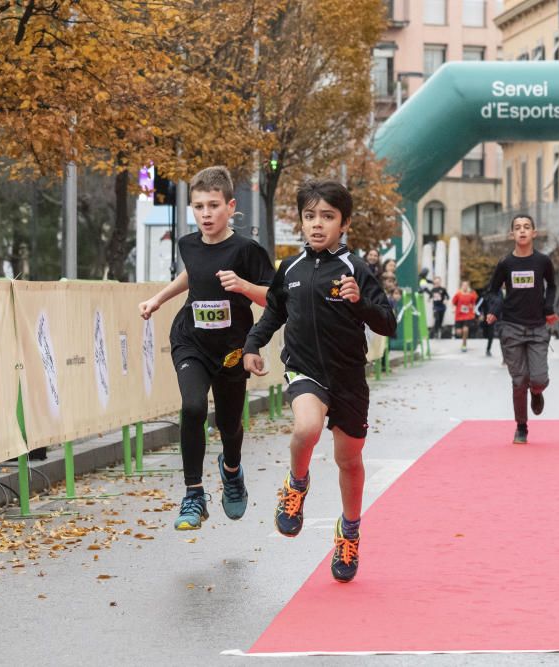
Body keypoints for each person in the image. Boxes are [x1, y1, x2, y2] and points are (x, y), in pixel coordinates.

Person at [243, 180, 396, 583]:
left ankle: (349, 531)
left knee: (349, 460)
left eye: (327, 217)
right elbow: (274, 312)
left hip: (348, 377)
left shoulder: (356, 269)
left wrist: (359, 303)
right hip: (305, 368)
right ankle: (296, 486)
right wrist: (252, 345)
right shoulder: (289, 269)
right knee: (307, 427)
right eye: (309, 216)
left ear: (343, 223)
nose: (316, 224)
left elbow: (389, 322)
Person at [139, 166, 274, 531]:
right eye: (198, 207)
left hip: (232, 348)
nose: (206, 214)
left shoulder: (246, 250)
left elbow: (275, 299)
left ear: (230, 206)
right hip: (191, 340)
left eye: (213, 205)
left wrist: (243, 286)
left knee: (230, 424)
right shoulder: (188, 244)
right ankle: (194, 494)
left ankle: (232, 471)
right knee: (193, 406)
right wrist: (158, 298)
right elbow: (192, 274)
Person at [485, 214, 557, 445]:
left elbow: (552, 285)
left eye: (527, 227)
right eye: (518, 228)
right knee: (519, 380)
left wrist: (549, 308)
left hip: (537, 327)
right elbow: (492, 290)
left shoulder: (543, 262)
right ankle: (521, 427)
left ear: (534, 233)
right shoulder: (506, 264)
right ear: (512, 235)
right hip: (512, 327)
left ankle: (536, 392)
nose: (522, 231)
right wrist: (494, 309)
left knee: (538, 378)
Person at [452, 280, 478, 352]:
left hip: (468, 315)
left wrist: (472, 307)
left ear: (468, 286)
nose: (465, 287)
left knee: (465, 330)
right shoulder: (458, 294)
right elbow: (453, 303)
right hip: (459, 315)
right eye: (463, 285)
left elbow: (474, 302)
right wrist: (453, 309)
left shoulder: (471, 294)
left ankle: (464, 345)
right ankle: (463, 339)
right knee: (459, 332)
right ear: (461, 286)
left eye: (466, 285)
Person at [476, 287, 496, 356]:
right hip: (484, 319)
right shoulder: (483, 297)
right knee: (485, 334)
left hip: (493, 319)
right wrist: (480, 314)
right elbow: (476, 308)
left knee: (491, 334)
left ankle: (488, 349)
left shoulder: (496, 296)